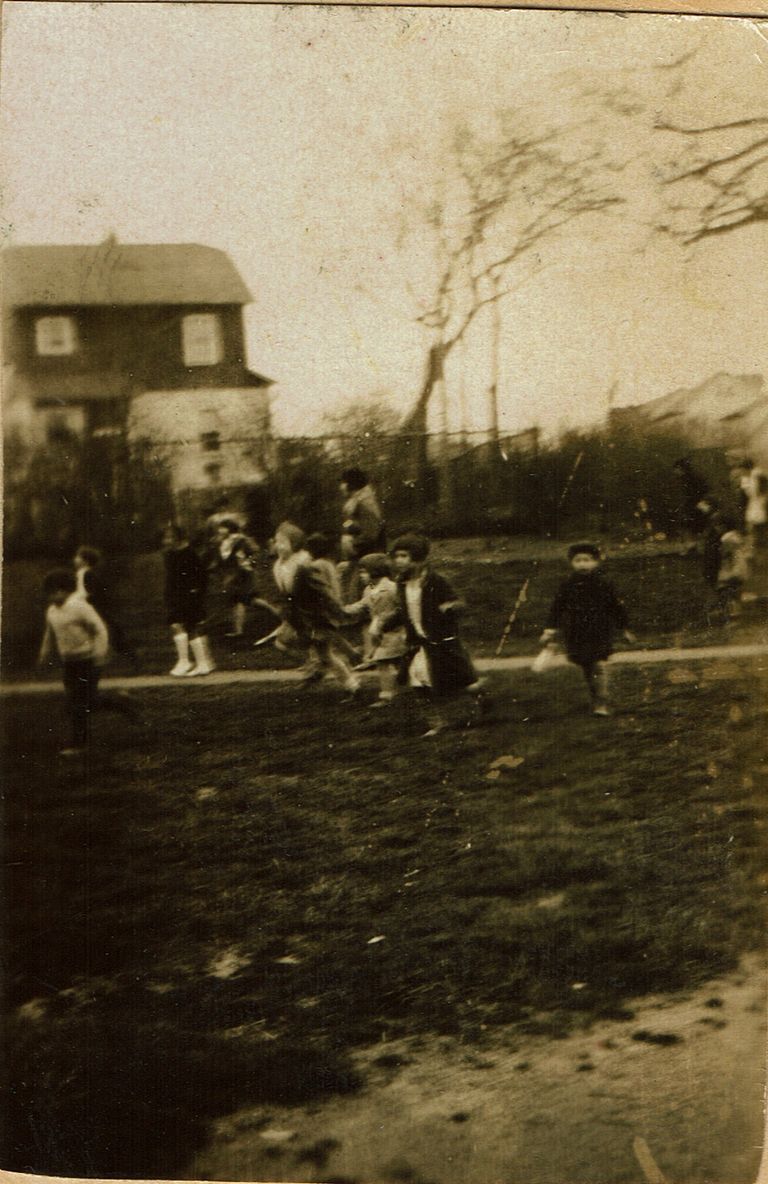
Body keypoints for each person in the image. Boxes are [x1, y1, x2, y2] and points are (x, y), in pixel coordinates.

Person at [37, 568, 144, 756]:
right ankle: (120, 701)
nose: (50, 597)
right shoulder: (52, 611)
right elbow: (50, 633)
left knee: (78, 702)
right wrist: (44, 654)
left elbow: (99, 629)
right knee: (85, 700)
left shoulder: (79, 607)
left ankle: (79, 744)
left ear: (63, 590)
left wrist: (99, 653)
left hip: (87, 660)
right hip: (69, 662)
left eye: (52, 592)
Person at [383, 532, 478, 736]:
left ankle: (480, 696)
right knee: (419, 683)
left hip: (440, 641)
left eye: (404, 556)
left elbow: (458, 603)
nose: (398, 561)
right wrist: (384, 623)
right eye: (396, 556)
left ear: (417, 558)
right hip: (418, 643)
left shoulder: (435, 581)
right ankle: (436, 723)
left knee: (460, 682)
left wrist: (449, 607)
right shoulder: (401, 583)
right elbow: (405, 611)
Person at [540, 543, 634, 717]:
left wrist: (624, 629)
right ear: (572, 563)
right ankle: (596, 698)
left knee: (598, 664)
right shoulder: (567, 585)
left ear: (596, 562)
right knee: (587, 666)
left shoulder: (604, 583)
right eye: (578, 560)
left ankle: (601, 703)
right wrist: (550, 630)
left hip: (599, 630)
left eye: (587, 560)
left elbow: (616, 607)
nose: (582, 564)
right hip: (576, 632)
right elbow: (557, 608)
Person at [272, 522, 360, 695]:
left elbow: (323, 590)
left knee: (325, 653)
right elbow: (286, 593)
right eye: (276, 541)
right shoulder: (279, 565)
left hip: (313, 615)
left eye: (283, 542)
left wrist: (336, 610)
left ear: (295, 543)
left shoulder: (304, 564)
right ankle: (318, 666)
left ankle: (352, 685)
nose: (278, 546)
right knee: (283, 644)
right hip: (296, 616)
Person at [344, 552, 406, 707]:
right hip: (381, 634)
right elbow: (362, 605)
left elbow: (402, 608)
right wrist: (343, 610)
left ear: (376, 570)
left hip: (395, 632)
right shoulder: (369, 589)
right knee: (391, 663)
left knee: (385, 662)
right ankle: (399, 691)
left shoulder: (391, 588)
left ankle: (388, 695)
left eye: (364, 571)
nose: (361, 575)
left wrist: (390, 618)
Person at [162, 524, 215, 676]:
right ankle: (199, 663)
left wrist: (196, 591)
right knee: (179, 626)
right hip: (176, 596)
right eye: (166, 538)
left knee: (188, 627)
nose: (167, 541)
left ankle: (188, 661)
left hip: (189, 597)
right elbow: (171, 579)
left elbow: (202, 577)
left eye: (170, 537)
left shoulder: (189, 554)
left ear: (179, 539)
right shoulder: (171, 555)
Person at [73, 545, 138, 668]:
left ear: (85, 561)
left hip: (95, 608)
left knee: (112, 632)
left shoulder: (88, 574)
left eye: (78, 557)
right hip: (87, 607)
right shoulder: (81, 573)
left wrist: (80, 599)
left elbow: (88, 591)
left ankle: (131, 658)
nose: (75, 559)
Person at [339, 468, 386, 600]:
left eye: (343, 482)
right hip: (358, 557)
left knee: (362, 595)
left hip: (369, 558)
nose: (341, 487)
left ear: (351, 484)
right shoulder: (354, 504)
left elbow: (371, 533)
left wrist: (351, 544)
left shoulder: (365, 503)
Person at [214, 518, 258, 637]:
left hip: (241, 574)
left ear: (230, 529)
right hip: (231, 574)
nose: (220, 530)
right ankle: (277, 613)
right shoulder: (222, 542)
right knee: (249, 600)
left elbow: (253, 553)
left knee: (239, 600)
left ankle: (238, 630)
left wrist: (247, 563)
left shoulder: (240, 540)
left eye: (223, 527)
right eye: (220, 528)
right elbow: (222, 558)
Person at [672, 457, 710, 554]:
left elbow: (690, 494)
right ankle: (695, 546)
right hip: (696, 505)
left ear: (681, 468)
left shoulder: (688, 479)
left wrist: (689, 504)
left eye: (677, 469)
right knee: (695, 527)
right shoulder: (691, 478)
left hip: (693, 506)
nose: (675, 472)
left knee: (691, 526)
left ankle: (693, 547)